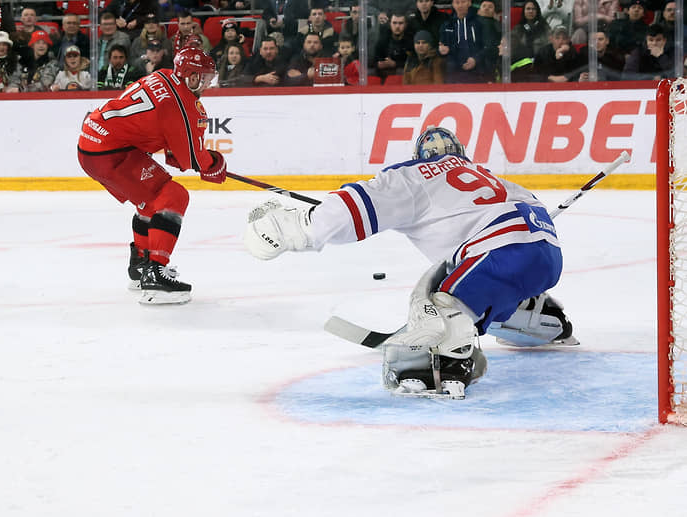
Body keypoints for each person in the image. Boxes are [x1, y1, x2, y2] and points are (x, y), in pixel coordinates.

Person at [244, 126, 574, 398]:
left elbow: (353, 206)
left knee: (434, 298)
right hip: (547, 252)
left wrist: (297, 226)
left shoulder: (415, 175)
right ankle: (537, 315)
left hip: (497, 252)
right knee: (472, 275)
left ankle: (438, 360)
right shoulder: (484, 173)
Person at [76, 47, 225, 305]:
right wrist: (216, 163)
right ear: (190, 77)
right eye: (205, 77)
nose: (208, 83)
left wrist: (180, 154)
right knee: (173, 196)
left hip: (91, 144)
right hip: (110, 153)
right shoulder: (182, 105)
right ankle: (155, 273)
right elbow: (192, 159)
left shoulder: (165, 75)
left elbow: (170, 144)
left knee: (149, 200)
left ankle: (140, 268)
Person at [438, 0, 489, 83]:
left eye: (463, 2)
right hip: (453, 73)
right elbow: (441, 47)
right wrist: (441, 50)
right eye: (457, 2)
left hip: (477, 72)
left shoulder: (479, 23)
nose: (460, 5)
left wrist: (476, 59)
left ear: (469, 3)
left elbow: (487, 46)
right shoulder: (447, 25)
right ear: (453, 4)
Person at [373, 12, 413, 82]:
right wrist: (378, 65)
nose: (397, 26)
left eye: (400, 23)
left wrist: (395, 64)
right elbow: (373, 60)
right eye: (394, 23)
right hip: (383, 73)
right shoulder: (382, 40)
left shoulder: (411, 41)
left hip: (403, 74)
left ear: (406, 25)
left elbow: (414, 62)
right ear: (390, 24)